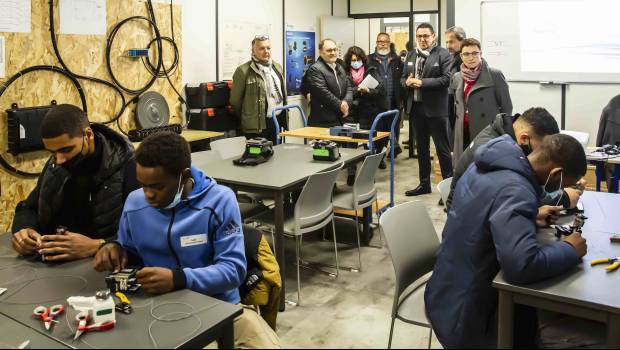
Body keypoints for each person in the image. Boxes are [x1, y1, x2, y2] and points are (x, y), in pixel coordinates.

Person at [93, 132, 280, 348]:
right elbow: (129, 249)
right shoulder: (135, 203)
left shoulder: (220, 201)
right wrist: (115, 248)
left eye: (158, 187)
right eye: (143, 185)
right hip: (159, 307)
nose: (148, 195)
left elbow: (233, 271)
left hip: (218, 306)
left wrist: (180, 279)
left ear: (184, 176)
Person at [425, 133, 588, 348]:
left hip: (446, 294)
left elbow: (485, 216)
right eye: (564, 184)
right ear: (556, 173)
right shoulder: (516, 190)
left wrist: (529, 215)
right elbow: (521, 266)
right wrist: (569, 249)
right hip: (469, 318)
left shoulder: (489, 164)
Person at [11, 104, 138, 262]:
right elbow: (28, 208)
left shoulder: (129, 166)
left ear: (88, 135)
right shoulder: (56, 165)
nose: (58, 160)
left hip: (102, 266)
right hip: (54, 269)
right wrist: (24, 229)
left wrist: (97, 245)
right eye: (52, 152)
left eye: (65, 150)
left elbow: (144, 232)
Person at [446, 108, 585, 211]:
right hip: (468, 218)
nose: (543, 153)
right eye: (542, 147)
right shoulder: (494, 151)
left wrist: (564, 179)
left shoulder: (503, 135)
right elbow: (521, 193)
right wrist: (564, 197)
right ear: (524, 138)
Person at [401, 23, 453, 196]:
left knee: (442, 150)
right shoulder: (410, 55)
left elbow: (446, 80)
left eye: (426, 36)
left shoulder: (443, 54)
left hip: (436, 111)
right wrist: (406, 82)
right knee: (421, 149)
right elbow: (402, 78)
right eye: (419, 36)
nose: (422, 39)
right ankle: (424, 184)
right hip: (416, 110)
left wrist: (421, 83)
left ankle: (448, 191)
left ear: (434, 37)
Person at [452, 38, 513, 162]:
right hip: (463, 130)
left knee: (484, 166)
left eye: (475, 53)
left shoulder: (494, 75)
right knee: (464, 166)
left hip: (486, 130)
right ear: (461, 56)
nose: (471, 57)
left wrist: (503, 132)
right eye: (467, 54)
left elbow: (507, 107)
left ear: (481, 54)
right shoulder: (457, 77)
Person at [230, 35, 287, 143]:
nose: (266, 51)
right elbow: (235, 101)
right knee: (261, 156)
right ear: (253, 51)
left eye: (268, 48)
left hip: (277, 120)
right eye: (261, 48)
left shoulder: (277, 67)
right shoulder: (243, 71)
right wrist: (249, 117)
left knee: (278, 153)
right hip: (257, 124)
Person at [344, 46, 389, 168]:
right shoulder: (344, 72)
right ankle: (351, 171)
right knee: (350, 143)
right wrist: (358, 91)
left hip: (369, 112)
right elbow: (344, 91)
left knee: (370, 142)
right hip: (352, 113)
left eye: (358, 59)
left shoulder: (371, 70)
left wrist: (369, 90)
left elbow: (381, 90)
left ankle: (372, 166)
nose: (356, 62)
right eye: (353, 60)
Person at [369, 33, 404, 158]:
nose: (382, 44)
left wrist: (402, 99)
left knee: (393, 127)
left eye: (385, 41)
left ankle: (393, 151)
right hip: (376, 102)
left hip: (394, 100)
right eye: (380, 41)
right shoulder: (369, 59)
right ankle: (380, 155)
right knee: (379, 129)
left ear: (389, 43)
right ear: (376, 43)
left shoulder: (397, 59)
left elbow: (402, 79)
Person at [305, 38, 353, 127]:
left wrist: (346, 102)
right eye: (329, 50)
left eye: (335, 50)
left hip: (340, 119)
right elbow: (322, 92)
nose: (333, 53)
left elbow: (349, 87)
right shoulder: (315, 69)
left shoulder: (340, 67)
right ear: (320, 52)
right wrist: (340, 105)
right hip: (323, 121)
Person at [445, 26, 467, 134]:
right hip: (452, 109)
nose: (448, 46)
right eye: (447, 42)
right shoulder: (453, 59)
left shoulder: (466, 62)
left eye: (451, 42)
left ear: (462, 41)